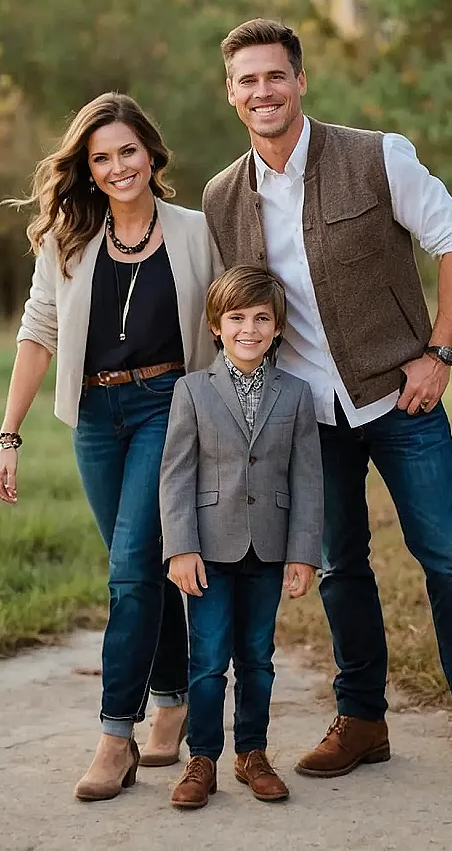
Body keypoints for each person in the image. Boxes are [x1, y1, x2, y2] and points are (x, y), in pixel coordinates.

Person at [202, 18, 452, 800]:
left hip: (400, 398)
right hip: (307, 417)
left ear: (299, 81)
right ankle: (362, 722)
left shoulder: (377, 155)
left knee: (447, 561)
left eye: (274, 75)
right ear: (230, 93)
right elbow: (235, 314)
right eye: (247, 80)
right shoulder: (221, 197)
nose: (262, 91)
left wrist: (439, 352)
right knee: (343, 567)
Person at [0, 92, 221, 802]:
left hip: (168, 408)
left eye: (127, 151)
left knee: (127, 570)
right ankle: (173, 698)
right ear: (86, 170)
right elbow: (38, 332)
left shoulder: (195, 231)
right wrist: (8, 434)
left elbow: (233, 317)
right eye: (101, 157)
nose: (117, 166)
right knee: (140, 569)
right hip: (95, 414)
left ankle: (113, 736)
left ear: (151, 154)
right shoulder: (68, 241)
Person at [160, 265, 323, 809]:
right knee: (207, 660)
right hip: (207, 549)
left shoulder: (297, 395)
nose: (248, 328)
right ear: (216, 325)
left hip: (270, 549)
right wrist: (180, 547)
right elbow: (177, 474)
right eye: (236, 318)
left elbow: (306, 478)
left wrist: (303, 553)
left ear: (277, 328)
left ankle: (252, 753)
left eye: (261, 318)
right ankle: (201, 758)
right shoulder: (191, 391)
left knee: (257, 657)